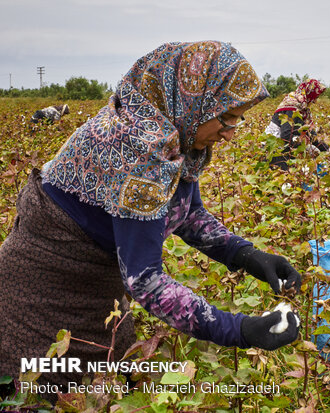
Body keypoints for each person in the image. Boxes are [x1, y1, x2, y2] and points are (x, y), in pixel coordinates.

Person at [0, 41, 301, 399]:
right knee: (42, 393)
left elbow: (188, 215)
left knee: (108, 385)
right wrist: (240, 329)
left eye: (238, 118)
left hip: (96, 290)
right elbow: (145, 281)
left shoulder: (176, 137)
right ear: (194, 100)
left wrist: (248, 256)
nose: (231, 132)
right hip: (39, 295)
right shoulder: (139, 152)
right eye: (227, 117)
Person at [264, 79, 330, 170]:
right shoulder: (293, 107)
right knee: (285, 179)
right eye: (315, 97)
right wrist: (303, 150)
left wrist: (327, 150)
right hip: (276, 152)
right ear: (309, 93)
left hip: (283, 150)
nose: (315, 102)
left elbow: (311, 134)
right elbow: (287, 135)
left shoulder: (302, 107)